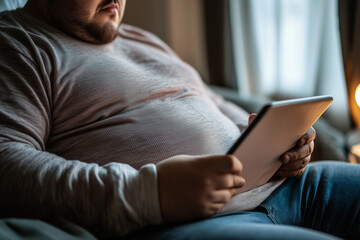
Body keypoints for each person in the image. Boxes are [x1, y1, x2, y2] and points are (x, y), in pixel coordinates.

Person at [0, 0, 359, 239]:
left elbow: (212, 103)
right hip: (188, 223)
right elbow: (8, 165)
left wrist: (281, 146)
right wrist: (152, 193)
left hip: (288, 188)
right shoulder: (18, 43)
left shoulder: (141, 37)